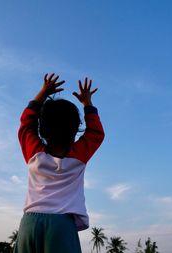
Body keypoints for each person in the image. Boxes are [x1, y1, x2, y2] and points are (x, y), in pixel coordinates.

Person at [14, 73, 105, 253]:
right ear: (75, 129)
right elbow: (96, 133)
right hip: (61, 225)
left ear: (42, 130)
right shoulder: (78, 157)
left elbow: (26, 123)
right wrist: (87, 103)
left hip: (29, 224)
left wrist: (42, 93)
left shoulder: (34, 154)